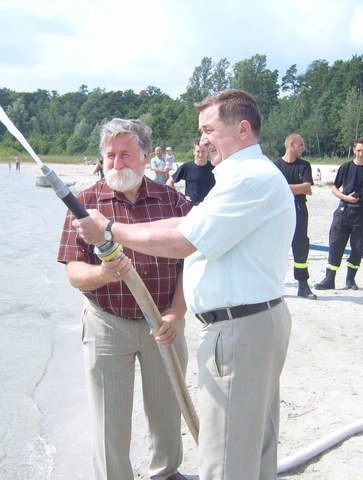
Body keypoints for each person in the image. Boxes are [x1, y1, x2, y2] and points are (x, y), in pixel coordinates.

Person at [74, 89, 295, 480]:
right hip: (252, 323)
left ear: (242, 130)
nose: (202, 140)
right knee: (253, 448)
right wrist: (115, 232)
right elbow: (182, 227)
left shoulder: (248, 179)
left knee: (226, 457)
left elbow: (181, 242)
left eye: (208, 130)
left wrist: (109, 228)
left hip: (241, 329)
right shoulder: (242, 177)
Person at [57, 118, 191, 480]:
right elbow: (73, 272)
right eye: (111, 156)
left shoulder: (174, 201)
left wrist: (176, 316)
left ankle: (166, 473)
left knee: (168, 409)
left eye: (126, 155)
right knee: (108, 418)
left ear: (146, 156)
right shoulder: (84, 204)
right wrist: (105, 273)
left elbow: (191, 267)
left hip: (163, 324)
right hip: (107, 325)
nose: (117, 164)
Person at [314, 138, 363, 290]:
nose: (360, 153)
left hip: (362, 213)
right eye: (358, 150)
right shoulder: (346, 167)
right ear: (354, 150)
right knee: (336, 245)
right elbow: (335, 188)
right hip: (344, 210)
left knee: (358, 247)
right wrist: (345, 197)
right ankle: (329, 279)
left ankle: (350, 280)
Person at [275, 133, 317, 299]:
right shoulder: (276, 165)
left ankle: (303, 284)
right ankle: (274, 285)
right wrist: (296, 187)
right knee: (276, 246)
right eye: (301, 145)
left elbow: (307, 188)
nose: (303, 148)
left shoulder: (304, 165)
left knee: (300, 245)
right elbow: (272, 188)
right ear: (291, 145)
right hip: (279, 210)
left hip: (299, 208)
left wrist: (283, 187)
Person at [166, 140, 215, 206]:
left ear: (208, 152)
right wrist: (179, 196)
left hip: (211, 205)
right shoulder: (186, 167)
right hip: (190, 207)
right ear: (193, 152)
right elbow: (169, 182)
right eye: (198, 151)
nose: (200, 154)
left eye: (203, 151)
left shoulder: (214, 168)